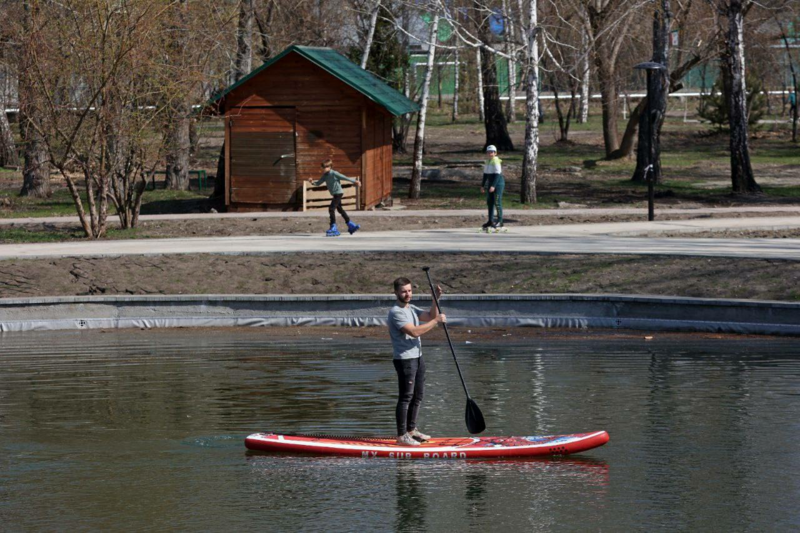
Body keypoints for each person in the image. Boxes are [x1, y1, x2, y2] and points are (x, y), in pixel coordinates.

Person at [388, 277, 446, 446]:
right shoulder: (396, 312)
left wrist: (435, 299)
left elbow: (429, 316)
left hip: (418, 357)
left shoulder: (411, 308)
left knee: (418, 396)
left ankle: (411, 430)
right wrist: (436, 322)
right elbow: (414, 332)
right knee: (406, 397)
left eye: (410, 290)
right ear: (396, 292)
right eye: (404, 291)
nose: (408, 294)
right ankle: (401, 435)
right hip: (405, 359)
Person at [308, 159, 361, 236]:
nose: (325, 168)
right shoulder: (325, 176)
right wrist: (312, 182)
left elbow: (344, 177)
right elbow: (318, 183)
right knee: (340, 209)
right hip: (335, 194)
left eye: (326, 167)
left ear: (330, 167)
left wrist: (354, 181)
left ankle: (333, 227)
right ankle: (350, 225)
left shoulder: (334, 173)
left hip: (338, 193)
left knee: (331, 209)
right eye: (323, 167)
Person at [480, 145, 505, 230]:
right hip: (491, 184)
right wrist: (482, 185)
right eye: (488, 152)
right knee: (490, 202)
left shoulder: (496, 161)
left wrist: (493, 186)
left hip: (498, 184)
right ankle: (490, 221)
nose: (490, 153)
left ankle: (500, 221)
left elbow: (498, 174)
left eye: (492, 152)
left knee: (497, 202)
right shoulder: (487, 161)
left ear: (495, 153)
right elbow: (485, 175)